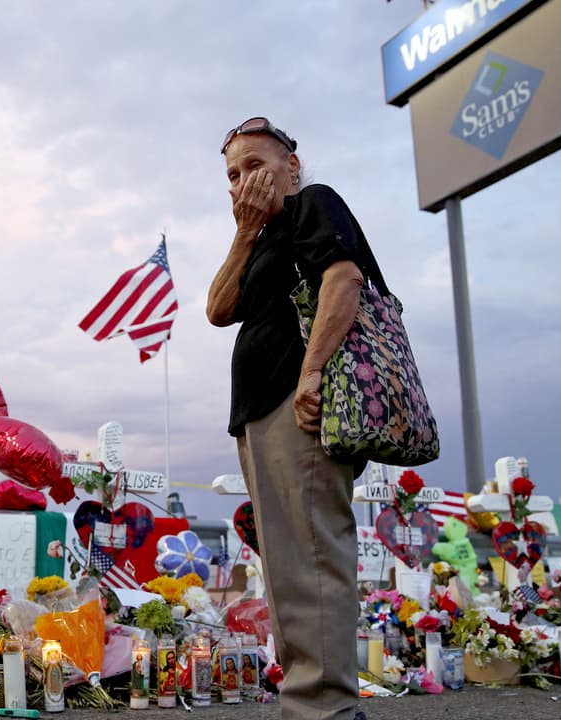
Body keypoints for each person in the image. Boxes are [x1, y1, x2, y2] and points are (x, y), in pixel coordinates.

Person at [207, 117, 372, 720]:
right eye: (231, 175)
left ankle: (324, 709)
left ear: (292, 167)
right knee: (285, 564)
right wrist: (245, 234)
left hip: (296, 404)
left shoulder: (312, 204)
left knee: (312, 555)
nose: (241, 181)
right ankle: (306, 701)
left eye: (255, 165)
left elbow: (344, 278)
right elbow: (218, 308)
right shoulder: (263, 237)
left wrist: (311, 375)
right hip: (258, 413)